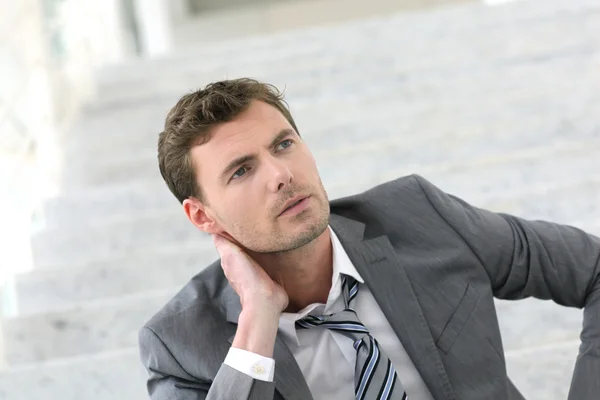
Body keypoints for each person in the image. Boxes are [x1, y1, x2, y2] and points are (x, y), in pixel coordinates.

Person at [138, 78, 600, 400]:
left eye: (283, 145)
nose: (281, 175)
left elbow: (592, 268)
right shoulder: (179, 344)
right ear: (203, 215)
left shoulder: (419, 217)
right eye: (242, 170)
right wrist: (257, 322)